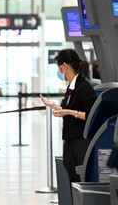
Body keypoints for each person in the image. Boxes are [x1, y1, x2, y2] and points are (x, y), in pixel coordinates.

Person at [40, 49, 97, 183]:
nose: (60, 72)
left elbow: (93, 115)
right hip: (70, 141)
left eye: (60, 68)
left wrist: (69, 112)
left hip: (81, 141)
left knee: (80, 180)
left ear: (65, 66)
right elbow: (70, 109)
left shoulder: (84, 87)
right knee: (71, 178)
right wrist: (54, 106)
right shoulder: (71, 87)